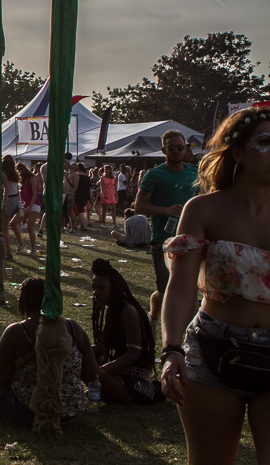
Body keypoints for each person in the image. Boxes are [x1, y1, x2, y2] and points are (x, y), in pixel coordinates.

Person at [160, 107, 270, 464]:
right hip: (212, 350)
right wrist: (171, 350)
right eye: (265, 142)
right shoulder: (203, 210)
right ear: (237, 153)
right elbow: (180, 287)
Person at [0, 277, 98, 428]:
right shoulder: (73, 327)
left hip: (30, 411)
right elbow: (92, 375)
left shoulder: (18, 331)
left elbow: (1, 380)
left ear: (23, 302)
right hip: (72, 412)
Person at [135, 129, 198, 322]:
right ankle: (154, 316)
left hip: (189, 239)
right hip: (163, 241)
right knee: (164, 290)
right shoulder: (154, 175)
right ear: (164, 150)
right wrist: (165, 210)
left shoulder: (194, 173)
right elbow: (139, 206)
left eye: (180, 148)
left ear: (185, 148)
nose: (177, 152)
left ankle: (189, 328)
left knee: (191, 288)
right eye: (172, 148)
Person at [90, 258, 162, 404]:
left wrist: (104, 370)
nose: (95, 293)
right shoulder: (112, 309)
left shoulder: (128, 311)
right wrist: (78, 350)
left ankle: (106, 389)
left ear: (113, 288)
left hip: (135, 381)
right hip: (117, 374)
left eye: (101, 288)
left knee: (92, 372)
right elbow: (102, 348)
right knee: (80, 360)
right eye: (94, 288)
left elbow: (133, 354)